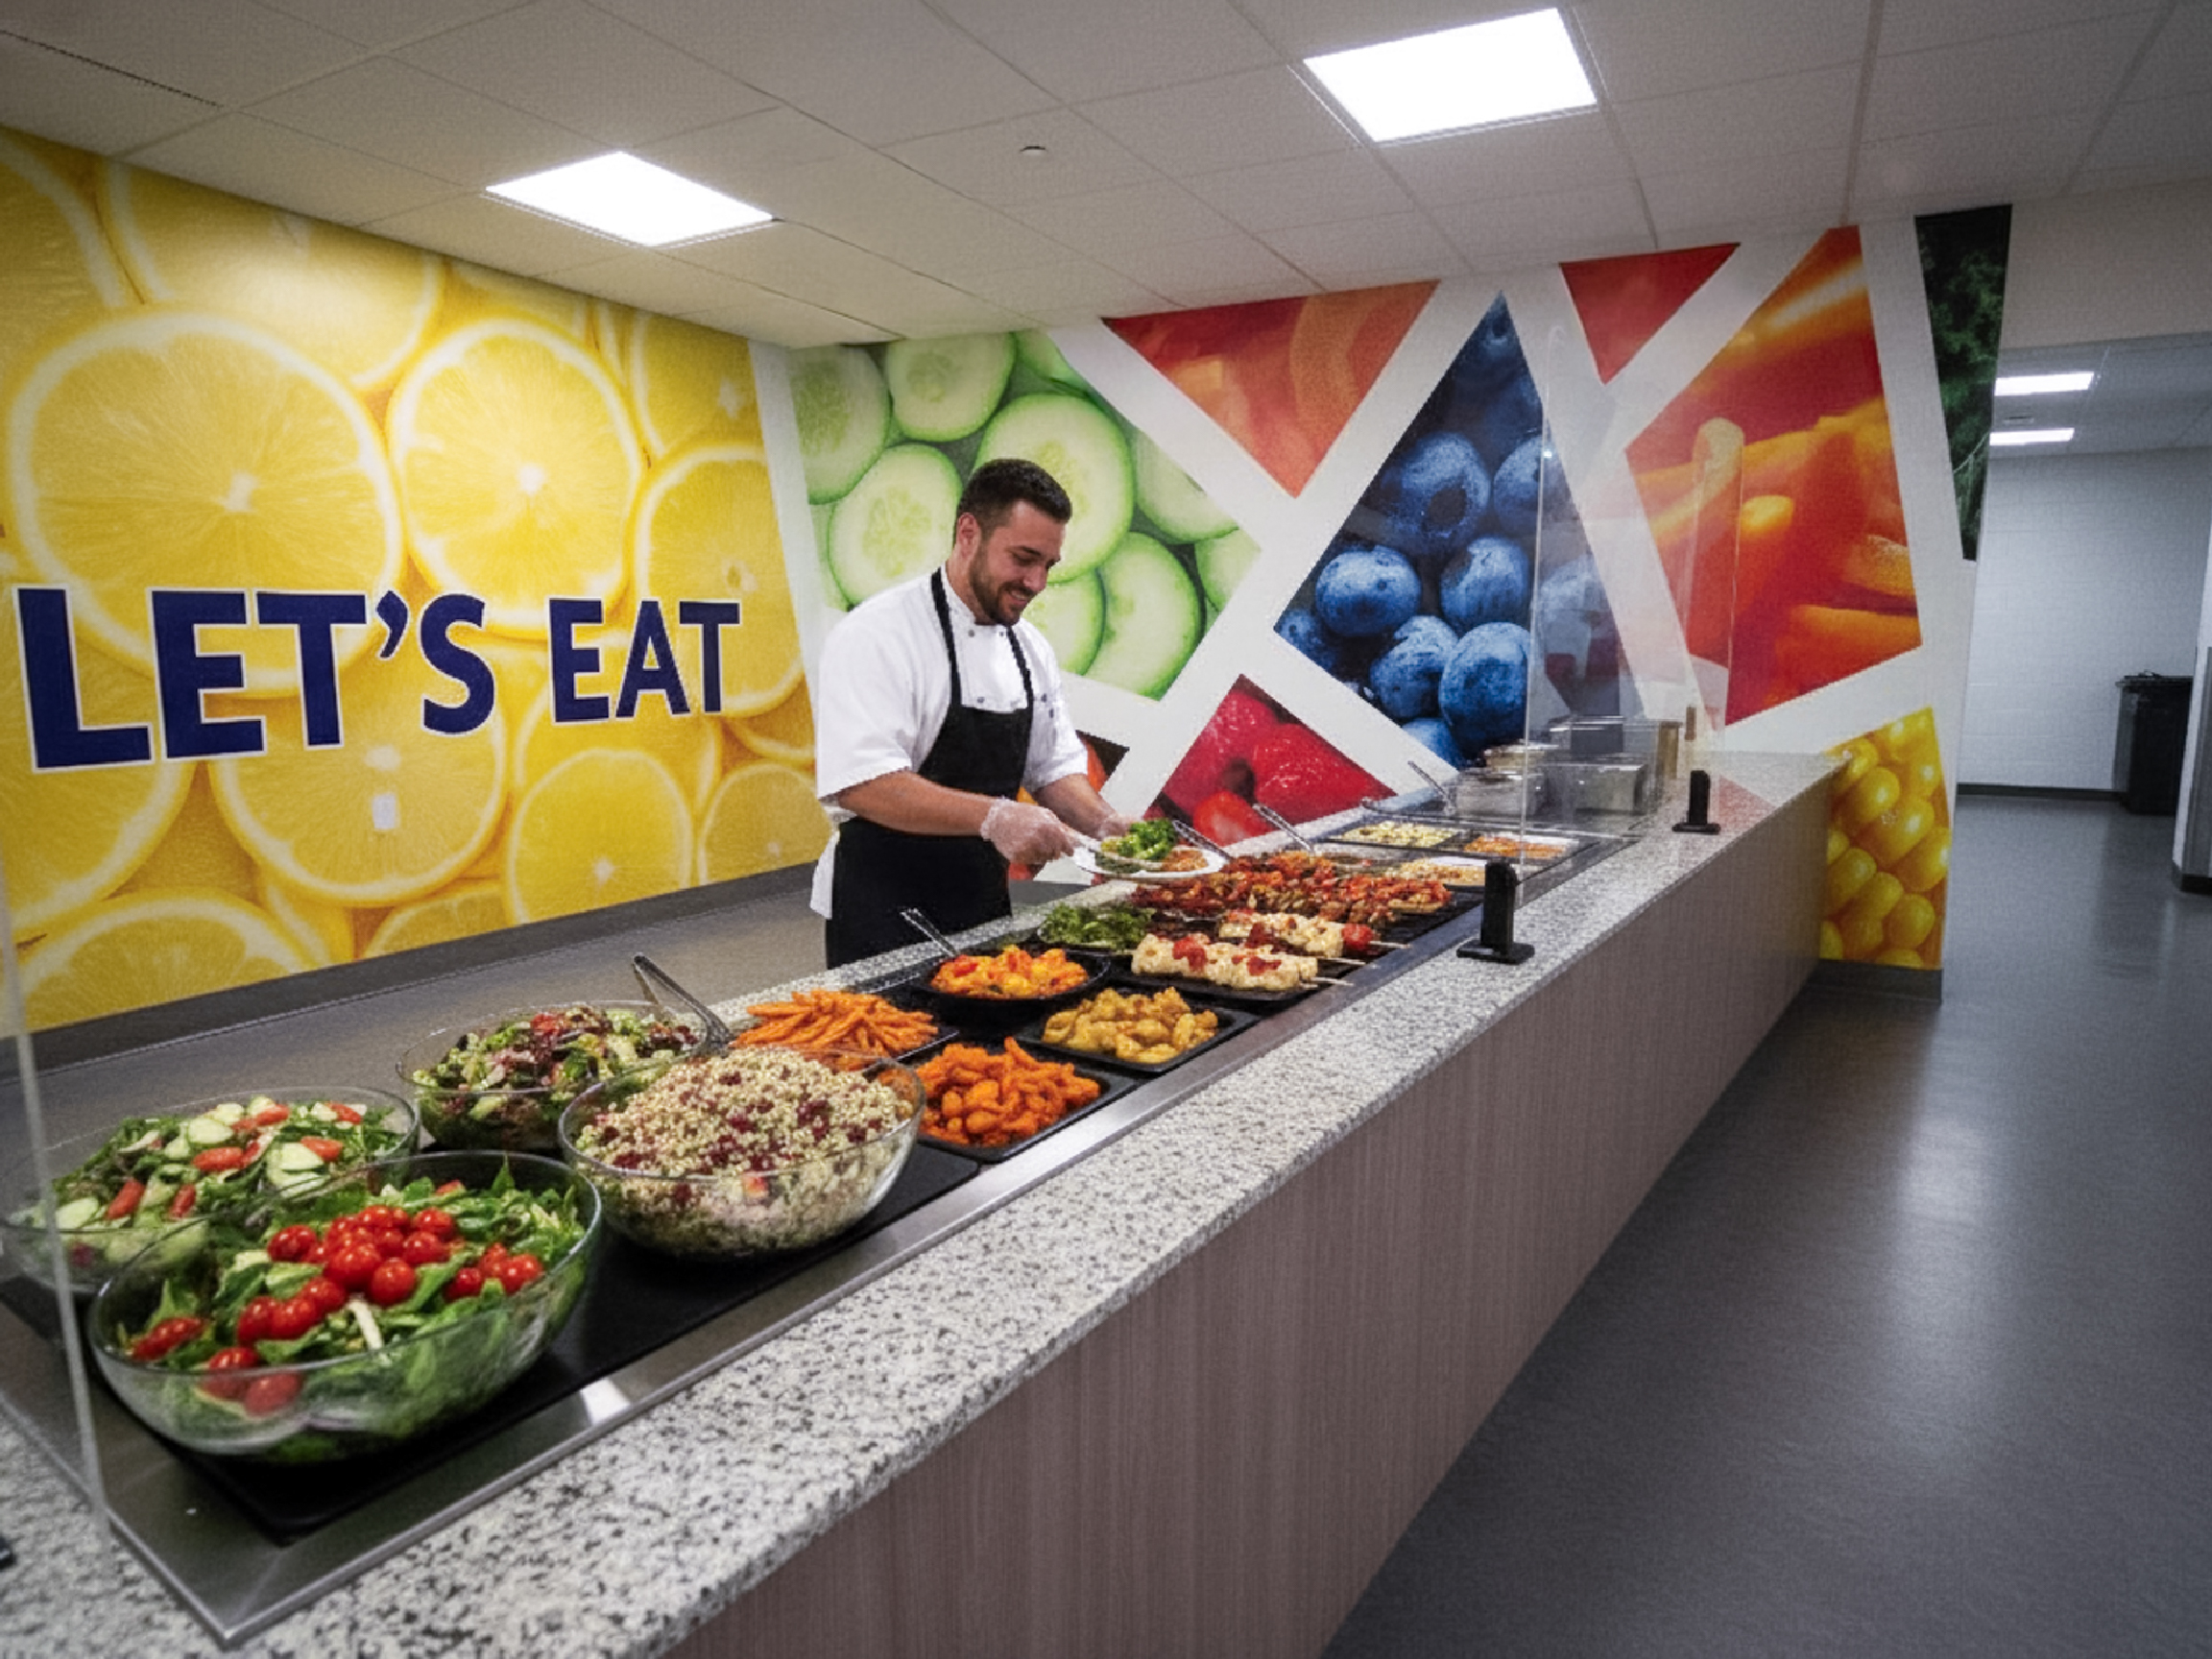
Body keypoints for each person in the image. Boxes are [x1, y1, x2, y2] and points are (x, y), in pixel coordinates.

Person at [810, 458, 1130, 967]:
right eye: (1023, 558)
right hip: (883, 908)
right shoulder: (878, 633)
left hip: (981, 904)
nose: (1036, 582)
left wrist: (1108, 826)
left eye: (1049, 565)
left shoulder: (1030, 648)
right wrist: (995, 816)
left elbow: (1051, 768)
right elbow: (864, 782)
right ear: (968, 533)